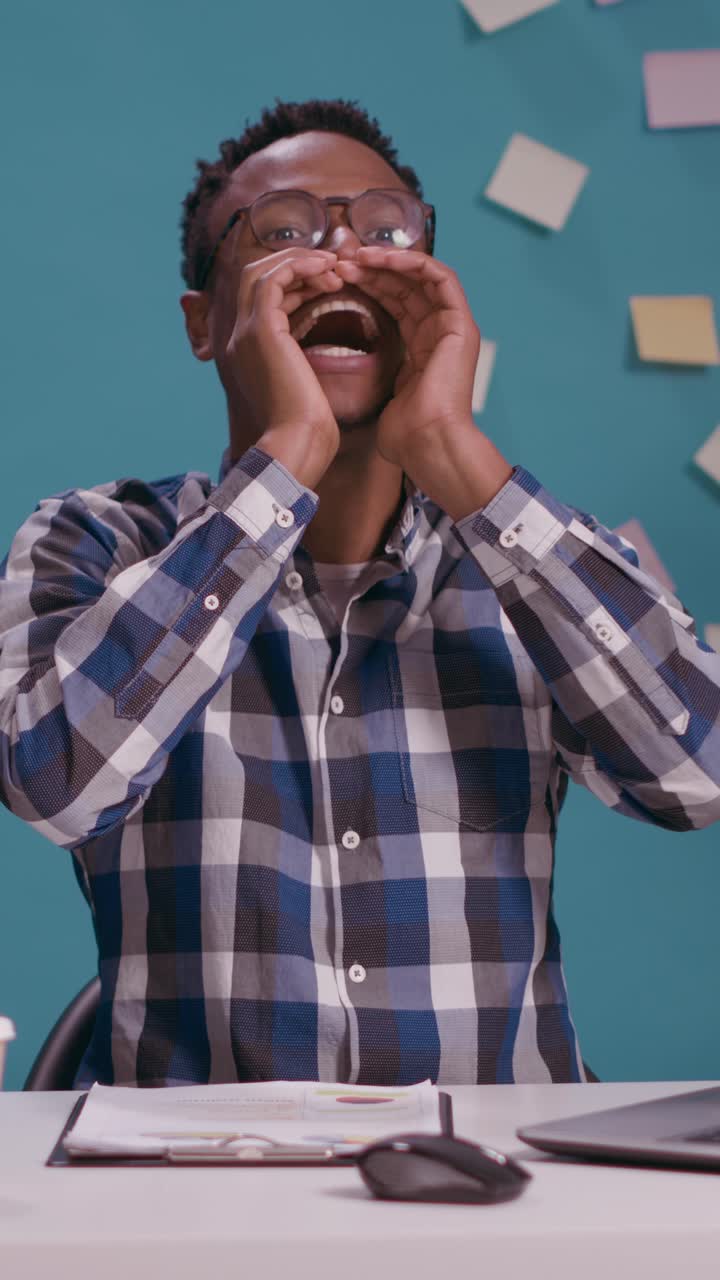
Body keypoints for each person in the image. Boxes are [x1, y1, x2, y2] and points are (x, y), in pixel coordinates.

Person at [1, 97, 719, 1090]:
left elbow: (699, 771)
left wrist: (456, 455)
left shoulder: (528, 560)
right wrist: (288, 455)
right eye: (285, 233)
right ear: (205, 321)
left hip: (498, 1185)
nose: (340, 258)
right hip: (189, 1189)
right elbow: (52, 781)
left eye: (385, 232)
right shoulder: (99, 543)